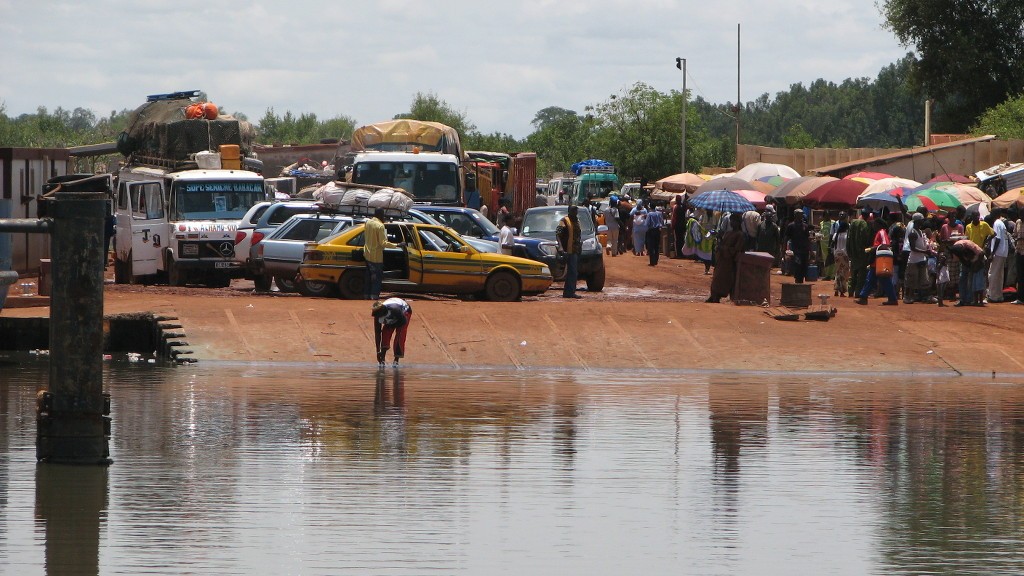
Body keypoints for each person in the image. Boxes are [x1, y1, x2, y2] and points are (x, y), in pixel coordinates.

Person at [855, 217, 899, 306]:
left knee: (871, 279)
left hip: (879, 261)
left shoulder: (881, 232)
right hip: (877, 261)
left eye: (875, 224)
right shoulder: (878, 233)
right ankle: (892, 299)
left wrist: (872, 249)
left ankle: (864, 297)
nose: (873, 225)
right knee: (882, 280)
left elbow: (885, 244)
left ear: (879, 225)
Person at [706, 213, 745, 303]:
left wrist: (723, 248)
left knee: (723, 279)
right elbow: (722, 244)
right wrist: (719, 238)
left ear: (738, 222)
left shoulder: (740, 235)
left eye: (734, 221)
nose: (732, 222)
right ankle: (714, 295)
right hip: (721, 260)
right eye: (731, 220)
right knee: (716, 277)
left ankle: (717, 296)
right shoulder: (728, 233)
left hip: (729, 262)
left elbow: (736, 250)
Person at [364, 208, 398, 300]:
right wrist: (397, 245)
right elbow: (383, 243)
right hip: (376, 257)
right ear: (381, 215)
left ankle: (366, 296)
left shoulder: (368, 223)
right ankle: (374, 297)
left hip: (367, 255)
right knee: (376, 279)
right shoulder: (380, 226)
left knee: (368, 278)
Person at [372, 298, 413, 367]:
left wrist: (392, 324)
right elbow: (377, 333)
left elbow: (403, 322)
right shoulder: (377, 316)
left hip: (404, 313)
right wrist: (378, 351)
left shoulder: (395, 309)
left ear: (382, 312)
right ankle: (382, 359)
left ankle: (396, 360)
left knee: (400, 334)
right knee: (385, 333)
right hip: (393, 316)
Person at [903, 213, 934, 304]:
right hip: (913, 260)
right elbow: (913, 248)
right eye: (921, 220)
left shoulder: (920, 231)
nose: (923, 222)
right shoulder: (913, 233)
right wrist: (925, 252)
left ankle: (926, 297)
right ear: (917, 221)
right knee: (911, 280)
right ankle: (908, 297)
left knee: (925, 280)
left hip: (922, 259)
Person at [556, 205, 583, 298]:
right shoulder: (564, 221)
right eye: (573, 210)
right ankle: (569, 292)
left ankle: (569, 291)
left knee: (573, 272)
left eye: (576, 210)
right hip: (568, 249)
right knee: (572, 271)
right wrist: (560, 247)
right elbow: (558, 234)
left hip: (575, 250)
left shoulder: (577, 221)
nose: (575, 212)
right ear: (569, 211)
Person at [949, 238, 986, 306]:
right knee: (962, 279)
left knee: (971, 280)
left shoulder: (970, 245)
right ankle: (962, 299)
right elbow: (958, 258)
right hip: (966, 261)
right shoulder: (955, 248)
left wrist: (974, 263)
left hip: (976, 261)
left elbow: (981, 253)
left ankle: (969, 299)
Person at [987, 208, 1009, 303]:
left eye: (992, 212)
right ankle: (999, 295)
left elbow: (998, 239)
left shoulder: (996, 223)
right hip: (1004, 252)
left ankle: (992, 296)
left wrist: (992, 253)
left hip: (998, 252)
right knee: (999, 275)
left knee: (992, 274)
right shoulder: (1002, 223)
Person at [785, 210, 812, 283]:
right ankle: (797, 281)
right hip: (796, 250)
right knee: (797, 267)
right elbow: (787, 238)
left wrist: (810, 250)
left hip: (805, 250)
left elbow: (808, 238)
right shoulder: (791, 226)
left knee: (804, 267)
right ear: (795, 215)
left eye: (802, 214)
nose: (801, 216)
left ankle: (801, 281)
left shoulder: (805, 226)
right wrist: (785, 249)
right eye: (800, 214)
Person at [831, 212, 850, 297]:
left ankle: (836, 289)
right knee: (844, 273)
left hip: (837, 254)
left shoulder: (836, 234)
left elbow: (832, 244)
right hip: (844, 254)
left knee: (838, 272)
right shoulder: (847, 235)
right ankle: (842, 290)